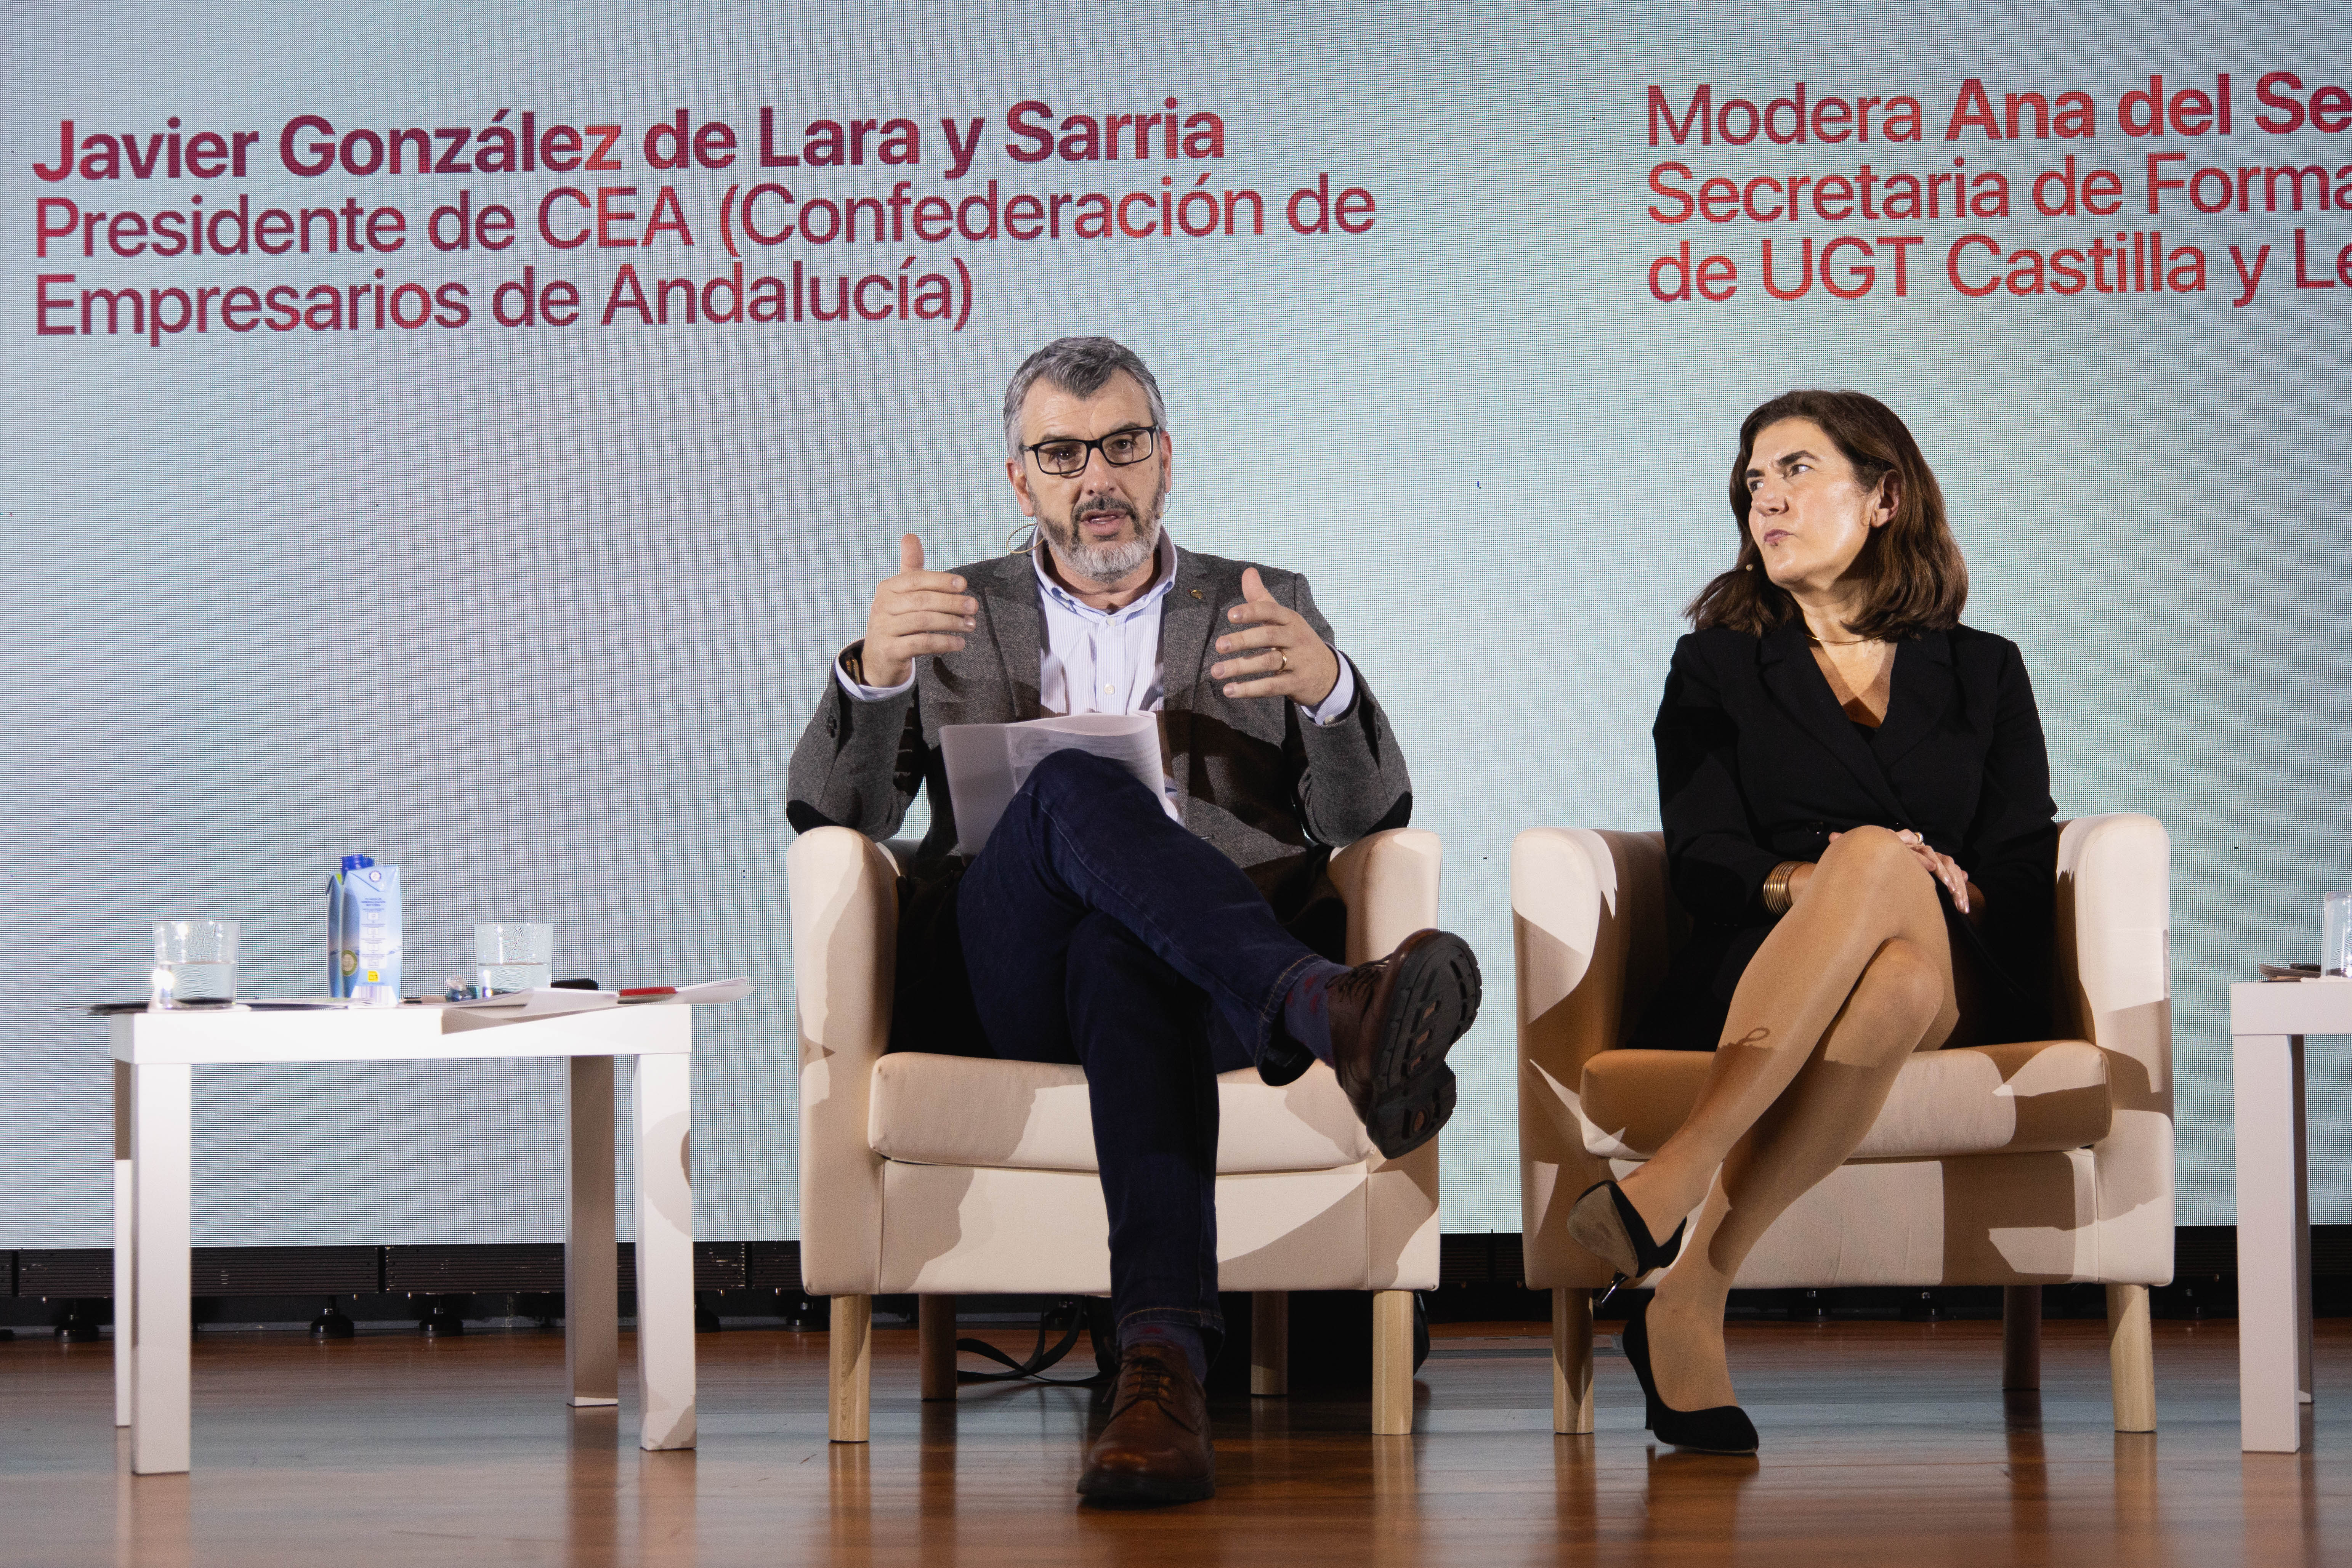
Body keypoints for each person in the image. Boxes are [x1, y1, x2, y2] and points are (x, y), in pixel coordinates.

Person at [786, 336, 1480, 1504]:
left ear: (1165, 459)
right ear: (1020, 480)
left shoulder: (1263, 601)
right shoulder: (951, 611)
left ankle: (1158, 1370)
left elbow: (1369, 818)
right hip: (1005, 976)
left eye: (1121, 445)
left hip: (1194, 989)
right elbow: (831, 817)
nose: (1095, 476)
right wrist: (875, 675)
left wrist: (1330, 693)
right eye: (1062, 454)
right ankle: (1324, 1006)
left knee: (1126, 949)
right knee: (1071, 784)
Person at [1568, 390, 2057, 1454]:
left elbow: (2025, 861)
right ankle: (1689, 1296)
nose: (1766, 501)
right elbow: (1702, 855)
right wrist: (1823, 883)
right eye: (1752, 482)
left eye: (1795, 471)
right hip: (1771, 958)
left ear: (1885, 497)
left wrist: (1936, 879)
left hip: (1962, 956)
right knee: (1891, 967)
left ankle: (1675, 1174)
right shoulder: (1715, 665)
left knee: (1894, 891)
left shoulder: (1985, 668)